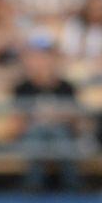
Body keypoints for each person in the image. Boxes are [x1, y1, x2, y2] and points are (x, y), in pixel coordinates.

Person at [12, 33, 80, 193]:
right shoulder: (23, 88)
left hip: (61, 131)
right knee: (37, 134)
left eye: (44, 57)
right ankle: (34, 186)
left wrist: (56, 116)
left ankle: (72, 186)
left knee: (60, 136)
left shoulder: (66, 87)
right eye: (36, 57)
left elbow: (76, 120)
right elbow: (16, 123)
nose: (41, 62)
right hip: (33, 133)